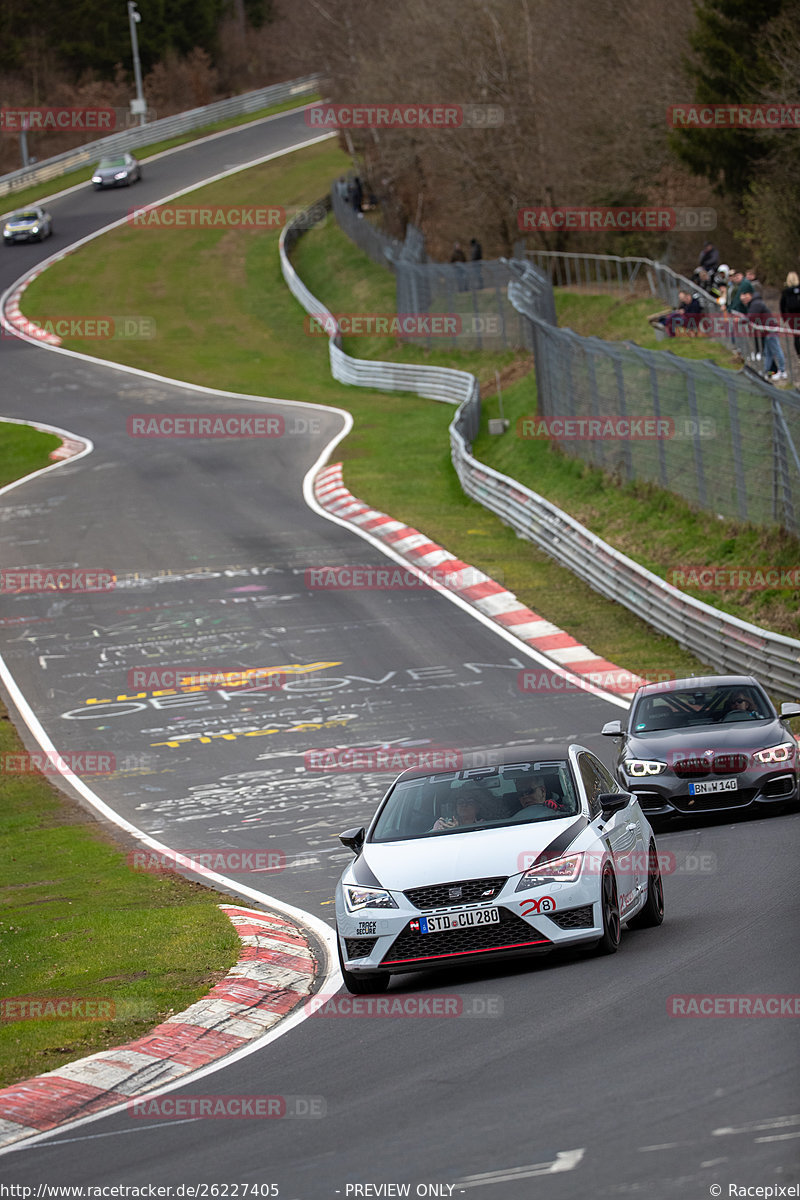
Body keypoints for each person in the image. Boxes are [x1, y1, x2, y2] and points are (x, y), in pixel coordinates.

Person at [741, 285, 787, 380]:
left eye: (745, 295)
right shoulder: (754, 303)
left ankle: (783, 371)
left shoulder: (756, 303)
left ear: (750, 295)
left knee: (776, 351)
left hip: (770, 330)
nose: (743, 298)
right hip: (766, 331)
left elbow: (751, 317)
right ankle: (767, 372)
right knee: (768, 353)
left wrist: (740, 320)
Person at [780, 271, 800, 359]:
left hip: (792, 317)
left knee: (796, 336)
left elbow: (782, 306)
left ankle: (799, 353)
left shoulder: (786, 291)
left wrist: (785, 318)